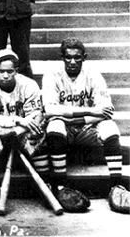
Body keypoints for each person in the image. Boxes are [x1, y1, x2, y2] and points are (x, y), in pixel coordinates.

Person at [42, 38, 127, 212]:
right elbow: (50, 109)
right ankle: (60, 185)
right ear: (62, 57)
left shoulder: (93, 74)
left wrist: (77, 118)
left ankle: (116, 186)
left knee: (110, 127)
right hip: (65, 128)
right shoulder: (52, 74)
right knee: (54, 126)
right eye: (68, 57)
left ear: (84, 57)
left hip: (87, 128)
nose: (72, 62)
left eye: (77, 57)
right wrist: (89, 112)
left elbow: (106, 109)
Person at [0, 49, 47, 210]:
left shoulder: (29, 85)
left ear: (17, 70)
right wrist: (18, 121)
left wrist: (14, 131)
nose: (6, 75)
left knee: (37, 134)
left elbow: (36, 117)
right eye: (1, 71)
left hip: (20, 133)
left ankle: (46, 184)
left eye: (10, 71)